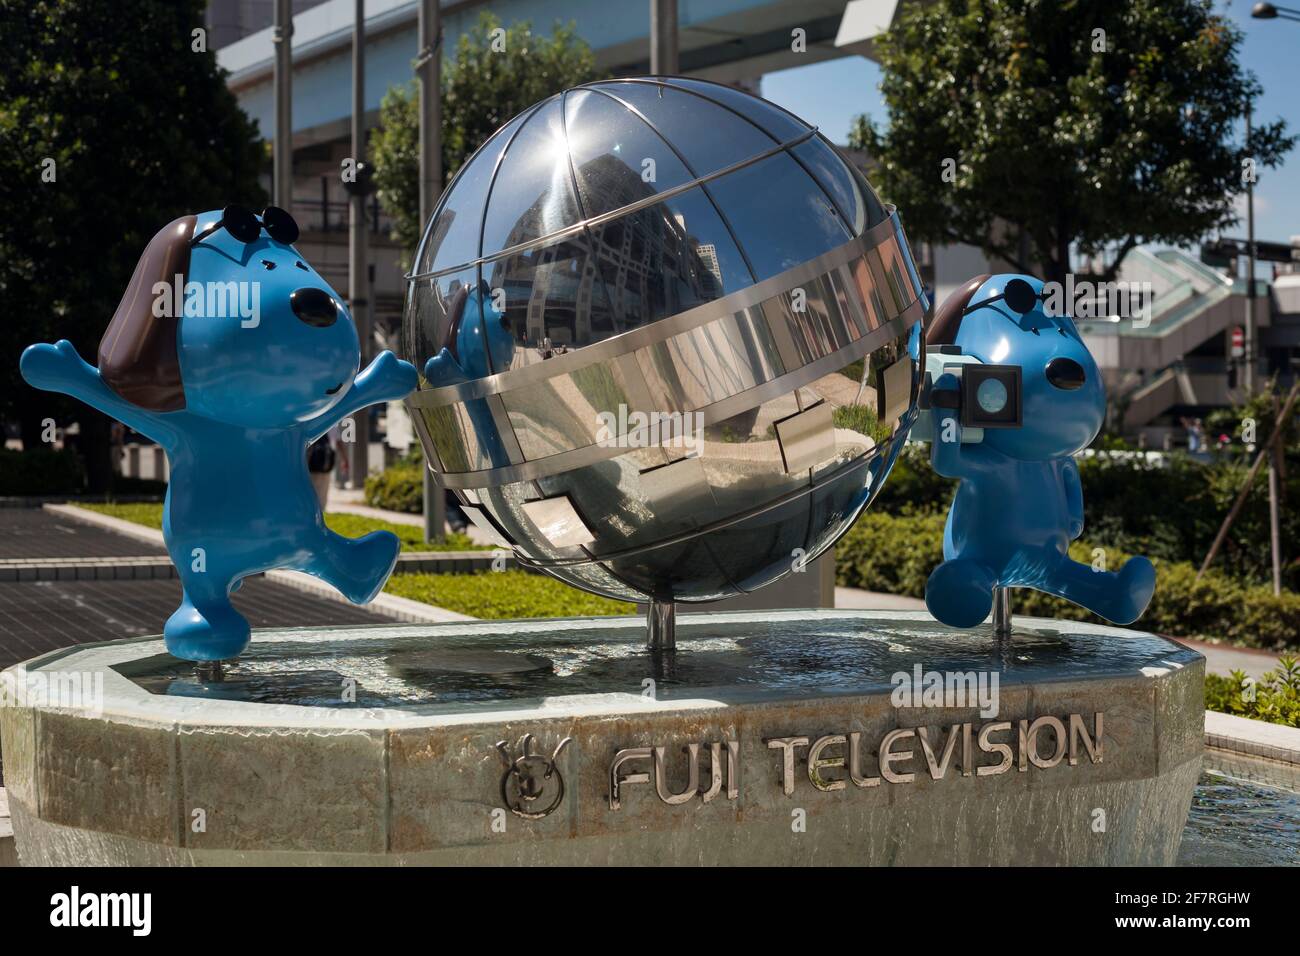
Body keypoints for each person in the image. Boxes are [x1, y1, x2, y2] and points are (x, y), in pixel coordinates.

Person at [307, 433, 336, 508]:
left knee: (311, 495)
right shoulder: (332, 426)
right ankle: (320, 512)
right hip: (325, 467)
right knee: (322, 496)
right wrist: (344, 458)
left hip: (311, 467)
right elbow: (338, 442)